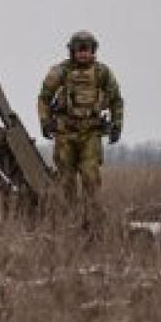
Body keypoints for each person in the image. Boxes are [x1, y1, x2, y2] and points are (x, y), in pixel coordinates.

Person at [37, 31, 124, 206]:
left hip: (90, 133)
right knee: (65, 179)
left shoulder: (102, 73)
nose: (84, 53)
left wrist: (117, 125)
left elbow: (116, 100)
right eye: (80, 49)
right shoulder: (60, 72)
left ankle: (92, 220)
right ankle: (69, 219)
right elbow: (44, 98)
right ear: (72, 51)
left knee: (91, 178)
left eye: (87, 49)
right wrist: (45, 122)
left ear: (93, 51)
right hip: (65, 133)